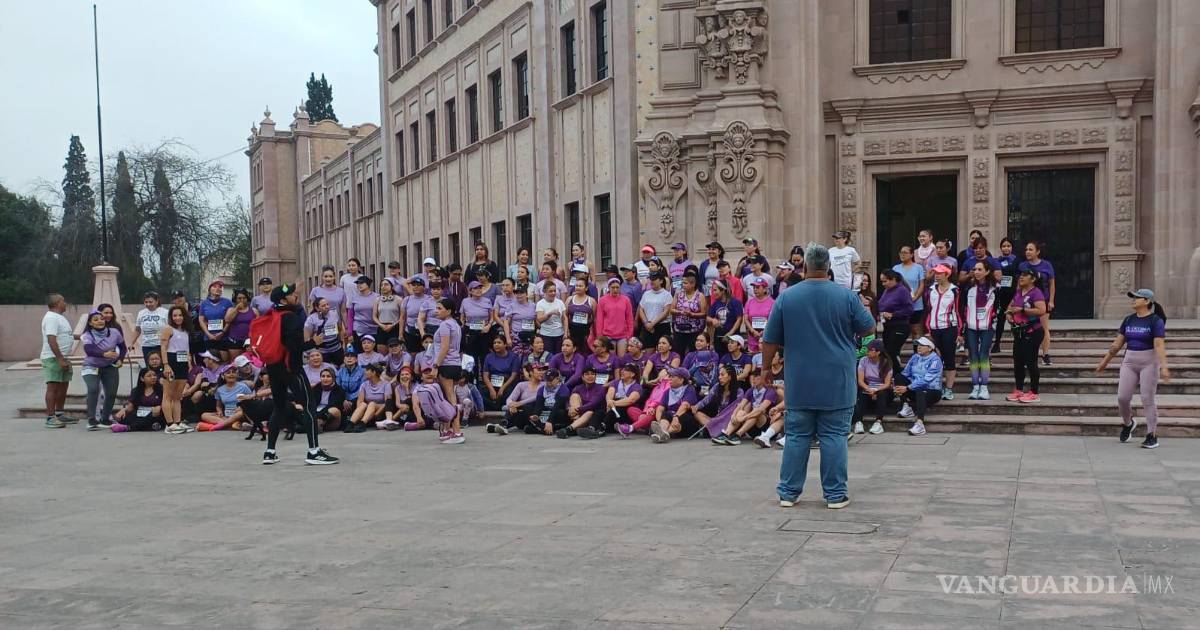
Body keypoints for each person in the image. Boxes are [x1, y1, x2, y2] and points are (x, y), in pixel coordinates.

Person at [762, 242, 876, 510]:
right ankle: (835, 495)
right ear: (827, 267)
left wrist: (766, 368)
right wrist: (854, 345)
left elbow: (769, 339)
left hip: (800, 378)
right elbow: (869, 327)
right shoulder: (846, 296)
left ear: (806, 267)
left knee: (797, 435)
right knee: (834, 436)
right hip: (837, 377)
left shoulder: (787, 297)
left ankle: (788, 493)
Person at [260, 283, 338, 465]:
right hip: (291, 367)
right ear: (282, 299)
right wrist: (313, 342)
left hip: (273, 367)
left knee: (279, 407)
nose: (296, 295)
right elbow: (294, 347)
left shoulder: (271, 315)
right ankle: (314, 451)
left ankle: (270, 452)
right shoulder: (291, 318)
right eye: (292, 294)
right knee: (310, 405)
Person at [1098, 289, 1170, 449]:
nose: (1133, 300)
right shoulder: (1129, 319)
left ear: (1147, 301)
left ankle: (1152, 435)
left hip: (1149, 362)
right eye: (1133, 298)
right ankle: (1128, 423)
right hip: (1130, 361)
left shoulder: (1155, 320)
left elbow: (1159, 344)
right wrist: (1105, 362)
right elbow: (1117, 344)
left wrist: (1164, 366)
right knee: (1122, 398)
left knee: (1147, 398)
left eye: (1137, 298)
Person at [1004, 269, 1047, 404]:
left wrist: (1022, 310)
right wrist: (1009, 315)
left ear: (1033, 279)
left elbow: (1041, 310)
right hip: (1019, 332)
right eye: (1020, 275)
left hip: (1033, 332)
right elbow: (1010, 307)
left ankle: (1034, 392)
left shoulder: (1036, 293)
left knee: (1031, 362)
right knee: (1018, 362)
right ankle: (1019, 389)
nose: (1021, 277)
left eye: (1025, 275)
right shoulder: (1018, 292)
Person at [81, 309, 127, 430]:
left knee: (111, 393)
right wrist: (104, 354)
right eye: (95, 320)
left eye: (101, 318)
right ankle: (91, 420)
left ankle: (105, 418)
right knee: (93, 388)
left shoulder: (114, 332)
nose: (100, 321)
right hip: (91, 366)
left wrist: (120, 359)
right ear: (90, 323)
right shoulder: (87, 335)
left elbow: (123, 347)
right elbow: (89, 350)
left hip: (110, 366)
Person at [711, 368, 779, 445]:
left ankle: (737, 435)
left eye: (757, 376)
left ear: (764, 378)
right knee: (741, 411)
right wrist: (734, 415)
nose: (753, 378)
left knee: (756, 412)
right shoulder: (751, 390)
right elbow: (741, 405)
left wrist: (744, 418)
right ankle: (726, 434)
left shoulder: (770, 391)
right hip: (752, 427)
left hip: (766, 427)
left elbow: (760, 409)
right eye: (752, 376)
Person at [963, 260, 998, 400]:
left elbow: (999, 308)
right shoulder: (969, 288)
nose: (976, 272)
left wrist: (994, 320)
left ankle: (984, 387)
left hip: (987, 327)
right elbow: (963, 307)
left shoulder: (995, 288)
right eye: (974, 269)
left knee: (983, 355)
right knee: (973, 356)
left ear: (987, 271)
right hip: (971, 326)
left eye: (979, 269)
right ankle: (975, 386)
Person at [925, 264, 961, 401]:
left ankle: (949, 388)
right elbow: (929, 310)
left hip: (949, 328)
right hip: (934, 328)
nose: (937, 275)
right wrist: (927, 329)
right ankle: (936, 386)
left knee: (949, 358)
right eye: (935, 273)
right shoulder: (931, 290)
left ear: (947, 275)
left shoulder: (954, 291)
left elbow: (958, 311)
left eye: (940, 273)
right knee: (934, 359)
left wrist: (959, 332)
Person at [895, 337, 943, 436]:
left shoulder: (935, 360)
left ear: (930, 348)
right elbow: (906, 373)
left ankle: (920, 424)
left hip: (932, 391)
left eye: (922, 345)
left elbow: (926, 381)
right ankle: (906, 407)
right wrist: (896, 385)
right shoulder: (915, 357)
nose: (918, 347)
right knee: (899, 377)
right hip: (914, 388)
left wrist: (907, 388)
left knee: (921, 389)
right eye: (918, 345)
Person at [158, 305, 195, 433]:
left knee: (177, 396)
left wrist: (189, 360)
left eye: (180, 315)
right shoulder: (168, 329)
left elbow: (186, 347)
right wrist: (166, 364)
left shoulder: (185, 331)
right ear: (171, 317)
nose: (178, 318)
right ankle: (169, 424)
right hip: (171, 360)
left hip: (183, 361)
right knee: (168, 394)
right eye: (175, 315)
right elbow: (163, 347)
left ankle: (177, 422)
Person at [1019, 241, 1056, 365]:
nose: (1028, 252)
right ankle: (1026, 354)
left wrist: (1051, 300)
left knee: (1044, 328)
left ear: (1037, 252)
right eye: (1026, 249)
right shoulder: (1023, 266)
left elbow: (1052, 284)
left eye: (1030, 249)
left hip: (1042, 300)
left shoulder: (1047, 265)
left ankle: (1045, 354)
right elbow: (1019, 284)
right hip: (1026, 301)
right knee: (1025, 328)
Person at [431, 298, 464, 432]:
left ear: (449, 311)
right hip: (455, 363)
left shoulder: (445, 325)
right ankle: (449, 428)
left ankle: (456, 430)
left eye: (440, 309)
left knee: (450, 398)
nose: (436, 311)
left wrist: (436, 366)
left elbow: (444, 347)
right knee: (451, 396)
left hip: (446, 364)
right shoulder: (455, 324)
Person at [489, 361, 547, 435]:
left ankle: (500, 426)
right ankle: (503, 425)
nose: (542, 372)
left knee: (528, 406)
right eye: (539, 370)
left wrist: (519, 403)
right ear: (531, 372)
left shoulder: (545, 385)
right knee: (514, 409)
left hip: (535, 417)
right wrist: (511, 406)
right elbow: (509, 399)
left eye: (543, 370)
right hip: (522, 416)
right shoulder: (521, 385)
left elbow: (536, 397)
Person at [645, 367, 700, 443]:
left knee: (677, 416)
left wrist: (675, 417)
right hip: (671, 419)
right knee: (666, 414)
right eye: (669, 376)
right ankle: (662, 431)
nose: (669, 379)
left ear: (681, 380)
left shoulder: (689, 389)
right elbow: (660, 408)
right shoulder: (668, 392)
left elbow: (684, 406)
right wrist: (659, 421)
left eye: (672, 377)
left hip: (687, 420)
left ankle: (664, 433)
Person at [853, 340, 892, 435]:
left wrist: (876, 390)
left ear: (878, 352)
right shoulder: (863, 360)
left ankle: (878, 422)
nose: (868, 351)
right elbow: (860, 381)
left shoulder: (887, 363)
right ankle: (858, 422)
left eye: (871, 350)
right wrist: (869, 389)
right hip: (868, 387)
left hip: (882, 388)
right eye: (868, 349)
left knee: (881, 394)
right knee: (861, 393)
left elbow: (887, 383)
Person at [111, 368, 166, 432]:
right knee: (125, 417)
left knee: (153, 416)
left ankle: (129, 428)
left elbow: (167, 403)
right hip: (140, 413)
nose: (153, 377)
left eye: (154, 375)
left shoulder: (161, 390)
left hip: (155, 414)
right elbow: (130, 407)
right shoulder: (136, 390)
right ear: (142, 379)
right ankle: (146, 426)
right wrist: (124, 410)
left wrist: (161, 407)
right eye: (149, 376)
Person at [877, 270, 913, 369]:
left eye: (885, 281)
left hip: (899, 326)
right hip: (888, 327)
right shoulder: (887, 291)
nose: (883, 284)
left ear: (893, 279)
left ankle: (900, 375)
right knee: (887, 353)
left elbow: (909, 309)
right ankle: (892, 376)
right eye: (882, 281)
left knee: (890, 353)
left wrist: (893, 314)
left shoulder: (902, 290)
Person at [198, 367, 253, 431]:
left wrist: (242, 407)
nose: (231, 374)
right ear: (223, 376)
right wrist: (219, 411)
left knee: (241, 412)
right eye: (228, 373)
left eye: (233, 372)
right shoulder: (220, 389)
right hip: (226, 416)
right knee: (204, 415)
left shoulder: (243, 386)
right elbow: (218, 406)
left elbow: (251, 400)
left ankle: (216, 426)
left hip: (240, 414)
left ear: (237, 375)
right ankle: (232, 424)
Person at [892, 245, 926, 340]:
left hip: (916, 304)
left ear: (911, 255)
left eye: (905, 253)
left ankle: (917, 352)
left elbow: (921, 285)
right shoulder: (896, 268)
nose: (902, 255)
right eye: (901, 253)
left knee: (916, 330)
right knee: (900, 330)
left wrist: (915, 297)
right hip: (900, 305)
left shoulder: (918, 268)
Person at [594, 278, 635, 357]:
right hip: (608, 335)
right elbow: (599, 319)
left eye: (617, 287)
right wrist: (599, 336)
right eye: (613, 287)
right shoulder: (602, 300)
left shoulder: (626, 300)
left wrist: (629, 335)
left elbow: (629, 318)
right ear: (609, 288)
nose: (615, 289)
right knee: (610, 359)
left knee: (621, 358)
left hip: (622, 335)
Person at [991, 237, 1019, 353]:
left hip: (1013, 293)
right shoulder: (997, 260)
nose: (1006, 248)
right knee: (1001, 319)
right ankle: (997, 343)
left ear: (1012, 247)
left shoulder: (1017, 260)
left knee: (1015, 319)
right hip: (1001, 293)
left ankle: (1018, 343)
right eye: (1004, 246)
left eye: (1008, 246)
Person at [670, 273, 708, 357]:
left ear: (693, 284)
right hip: (679, 329)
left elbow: (704, 313)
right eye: (683, 283)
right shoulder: (678, 294)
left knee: (693, 352)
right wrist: (680, 312)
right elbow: (671, 309)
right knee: (678, 352)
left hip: (694, 330)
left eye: (685, 283)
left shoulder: (700, 296)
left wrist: (692, 314)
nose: (683, 285)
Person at [345, 363, 391, 432]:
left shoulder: (386, 385)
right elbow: (359, 402)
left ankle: (362, 424)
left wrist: (376, 413)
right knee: (363, 404)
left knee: (372, 403)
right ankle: (351, 424)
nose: (365, 372)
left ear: (374, 372)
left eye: (367, 370)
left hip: (380, 411)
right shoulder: (364, 384)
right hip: (367, 411)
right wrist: (360, 414)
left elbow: (387, 403)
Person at [460, 280, 495, 364]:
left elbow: (492, 317)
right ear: (470, 290)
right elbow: (462, 318)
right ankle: (472, 376)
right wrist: (464, 328)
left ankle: (484, 375)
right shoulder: (465, 301)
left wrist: (489, 326)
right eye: (475, 288)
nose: (478, 290)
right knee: (471, 356)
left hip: (484, 330)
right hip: (471, 330)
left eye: (480, 288)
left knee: (484, 355)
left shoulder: (487, 301)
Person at [482, 336, 521, 410]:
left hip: (507, 384)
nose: (496, 345)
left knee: (510, 394)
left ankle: (497, 407)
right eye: (494, 343)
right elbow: (485, 376)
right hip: (492, 383)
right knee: (480, 393)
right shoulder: (489, 357)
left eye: (499, 342)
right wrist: (491, 389)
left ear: (505, 344)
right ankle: (496, 407)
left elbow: (513, 375)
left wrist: (503, 388)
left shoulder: (514, 357)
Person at [304, 296, 345, 367]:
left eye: (327, 304)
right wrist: (311, 352)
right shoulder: (311, 319)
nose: (327, 307)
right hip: (322, 351)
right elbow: (307, 337)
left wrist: (342, 343)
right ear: (317, 308)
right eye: (323, 306)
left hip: (336, 348)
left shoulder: (334, 313)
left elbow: (340, 329)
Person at [706, 279, 743, 352]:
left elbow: (739, 319)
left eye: (715, 290)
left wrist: (730, 333)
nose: (713, 293)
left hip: (732, 338)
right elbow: (707, 317)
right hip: (719, 337)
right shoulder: (716, 303)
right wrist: (712, 320)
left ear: (723, 290)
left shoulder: (735, 302)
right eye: (712, 290)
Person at [638, 272, 673, 348]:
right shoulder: (646, 294)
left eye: (654, 279)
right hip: (647, 326)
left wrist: (652, 324)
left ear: (661, 281)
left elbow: (666, 312)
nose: (652, 281)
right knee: (648, 351)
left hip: (662, 326)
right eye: (651, 279)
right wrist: (646, 323)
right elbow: (641, 309)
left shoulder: (667, 295)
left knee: (662, 350)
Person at [400, 277, 435, 353]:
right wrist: (400, 334)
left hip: (425, 330)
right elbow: (402, 318)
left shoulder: (429, 299)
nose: (416, 287)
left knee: (428, 352)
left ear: (424, 287)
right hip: (410, 330)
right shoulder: (407, 299)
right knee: (412, 353)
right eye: (414, 285)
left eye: (418, 285)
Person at [135, 291, 170, 364]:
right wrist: (131, 343)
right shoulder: (141, 313)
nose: (148, 304)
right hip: (146, 345)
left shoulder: (165, 312)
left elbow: (170, 329)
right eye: (146, 302)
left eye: (151, 302)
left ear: (157, 301)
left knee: (161, 367)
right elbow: (137, 330)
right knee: (150, 368)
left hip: (160, 345)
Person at [743, 277, 774, 355]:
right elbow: (746, 319)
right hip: (753, 336)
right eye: (754, 287)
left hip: (767, 337)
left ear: (764, 289)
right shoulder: (749, 302)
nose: (755, 289)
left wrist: (763, 332)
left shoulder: (772, 303)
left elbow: (772, 320)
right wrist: (753, 331)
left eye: (757, 287)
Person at [222, 289, 255, 361]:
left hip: (249, 341)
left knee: (250, 361)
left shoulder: (254, 310)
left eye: (244, 298)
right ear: (235, 299)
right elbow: (227, 320)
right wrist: (236, 308)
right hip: (235, 341)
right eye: (239, 298)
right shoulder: (231, 309)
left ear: (247, 299)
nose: (242, 300)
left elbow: (258, 325)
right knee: (235, 362)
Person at [310, 367, 346, 433]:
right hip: (316, 413)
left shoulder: (339, 390)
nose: (325, 379)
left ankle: (315, 425)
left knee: (334, 410)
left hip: (330, 418)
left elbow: (332, 405)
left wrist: (318, 415)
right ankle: (315, 425)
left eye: (328, 376)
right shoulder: (316, 388)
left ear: (333, 378)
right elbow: (312, 403)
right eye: (323, 376)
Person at [535, 281, 567, 354]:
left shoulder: (560, 302)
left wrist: (565, 333)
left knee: (559, 355)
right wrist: (550, 313)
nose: (553, 293)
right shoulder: (540, 304)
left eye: (554, 291)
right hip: (546, 335)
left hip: (559, 334)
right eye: (550, 291)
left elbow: (564, 318)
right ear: (544, 291)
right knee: (548, 356)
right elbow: (539, 320)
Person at [349, 275, 380, 350]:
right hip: (359, 329)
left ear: (368, 284)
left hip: (374, 329)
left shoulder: (377, 297)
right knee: (359, 352)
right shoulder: (354, 297)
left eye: (361, 283)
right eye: (357, 283)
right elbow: (350, 316)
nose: (359, 285)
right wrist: (349, 332)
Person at [372, 275, 403, 347]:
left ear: (392, 287)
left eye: (386, 284)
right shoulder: (377, 300)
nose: (383, 287)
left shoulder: (399, 299)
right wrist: (381, 325)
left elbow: (402, 316)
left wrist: (392, 325)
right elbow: (374, 316)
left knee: (394, 349)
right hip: (381, 327)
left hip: (395, 327)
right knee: (381, 349)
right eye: (382, 285)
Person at [336, 349, 365, 417]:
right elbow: (337, 387)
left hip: (357, 398)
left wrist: (351, 401)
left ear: (356, 359)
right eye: (347, 356)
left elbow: (362, 388)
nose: (349, 358)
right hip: (343, 398)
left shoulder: (362, 371)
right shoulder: (340, 371)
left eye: (352, 356)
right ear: (344, 359)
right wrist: (344, 399)